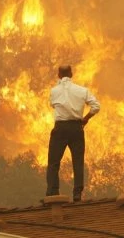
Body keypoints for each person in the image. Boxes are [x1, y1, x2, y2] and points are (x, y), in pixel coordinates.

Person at [46, 65, 100, 202]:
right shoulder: (82, 90)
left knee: (53, 162)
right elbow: (96, 106)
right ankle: (77, 194)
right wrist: (86, 118)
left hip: (60, 128)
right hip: (76, 128)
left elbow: (53, 104)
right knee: (78, 162)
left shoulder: (54, 91)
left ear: (59, 74)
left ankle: (53, 193)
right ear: (71, 73)